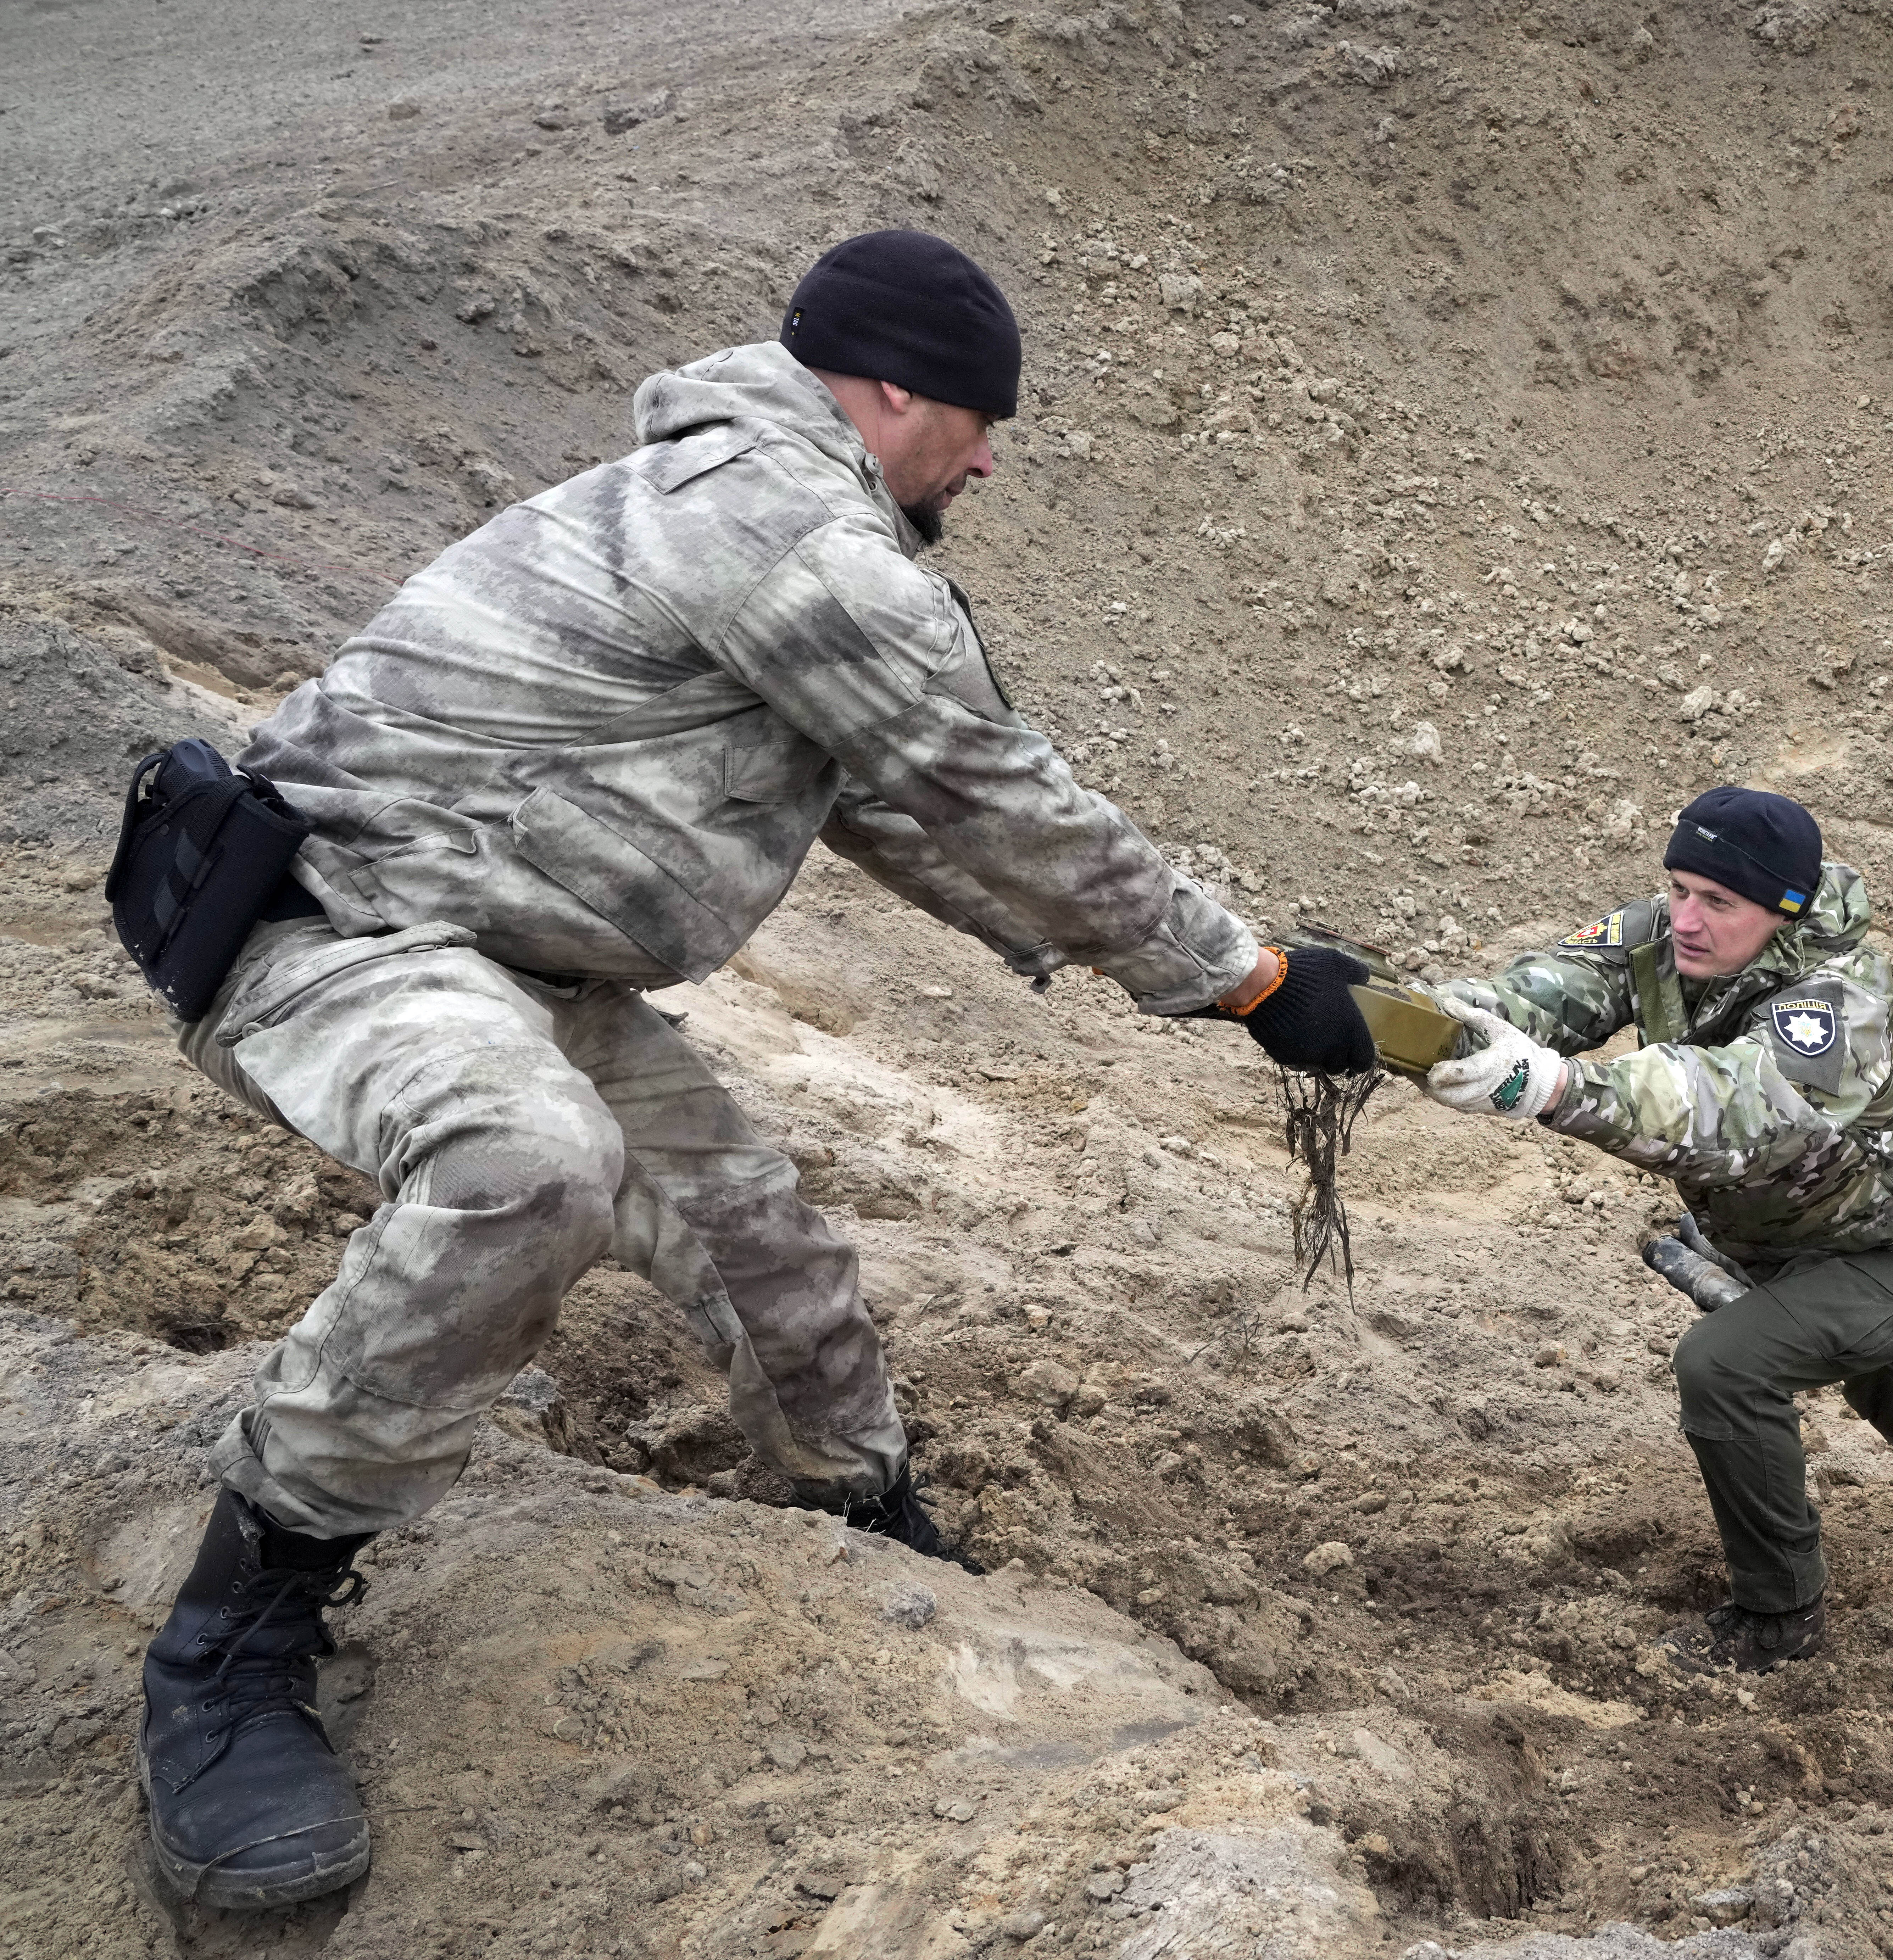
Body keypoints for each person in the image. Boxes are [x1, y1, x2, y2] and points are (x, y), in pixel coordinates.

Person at [133, 229, 1376, 1911]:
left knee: (774, 1265)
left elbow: (891, 803)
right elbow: (990, 785)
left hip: (515, 952)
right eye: (978, 423)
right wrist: (1251, 981)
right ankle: (232, 1632)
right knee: (530, 1161)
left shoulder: (761, 504)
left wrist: (1197, 969)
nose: (990, 460)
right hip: (343, 932)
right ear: (891, 393)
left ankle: (859, 1522)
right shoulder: (792, 533)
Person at [1414, 787, 1893, 1677]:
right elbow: (1554, 987)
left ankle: (1780, 1613)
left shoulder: (1839, 1002)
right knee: (1879, 1368)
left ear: (1786, 908)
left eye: (1719, 902)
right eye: (1679, 887)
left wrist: (1551, 1088)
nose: (1685, 919)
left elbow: (1729, 1108)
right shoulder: (1663, 932)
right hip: (1805, 1235)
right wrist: (1455, 1021)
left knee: (1725, 1364)